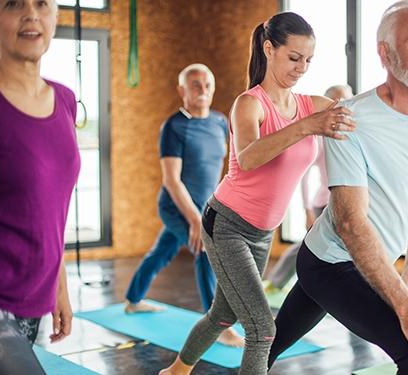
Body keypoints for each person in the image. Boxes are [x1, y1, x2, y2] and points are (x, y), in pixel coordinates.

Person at [268, 1, 408, 374]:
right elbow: (351, 225)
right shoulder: (349, 119)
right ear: (385, 53)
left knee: (269, 343)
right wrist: (407, 308)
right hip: (330, 263)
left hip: (375, 262)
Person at [159, 12, 356, 375]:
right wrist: (306, 126)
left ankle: (174, 372)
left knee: (223, 314)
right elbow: (248, 158)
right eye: (294, 58)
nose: (302, 68)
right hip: (227, 224)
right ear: (269, 48)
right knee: (262, 329)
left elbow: (360, 112)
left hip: (261, 233)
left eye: (308, 60)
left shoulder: (307, 104)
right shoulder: (249, 103)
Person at [123, 63, 244, 346]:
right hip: (176, 206)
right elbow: (171, 179)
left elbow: (219, 169)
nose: (202, 90)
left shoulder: (219, 121)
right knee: (207, 253)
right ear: (182, 90)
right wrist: (194, 219)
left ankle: (133, 299)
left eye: (207, 85)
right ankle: (219, 328)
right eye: (195, 85)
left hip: (205, 207)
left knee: (162, 251)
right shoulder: (174, 127)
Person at [0, 0, 79, 373]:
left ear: (54, 16)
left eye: (41, 3)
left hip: (34, 298)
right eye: (13, 4)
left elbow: (49, 204)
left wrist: (58, 283)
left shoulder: (64, 100)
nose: (30, 14)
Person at [264, 84, 353, 292]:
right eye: (337, 101)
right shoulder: (321, 139)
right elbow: (304, 175)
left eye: (347, 100)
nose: (343, 106)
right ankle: (277, 281)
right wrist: (306, 211)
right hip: (323, 203)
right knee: (308, 247)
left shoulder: (351, 135)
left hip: (346, 202)